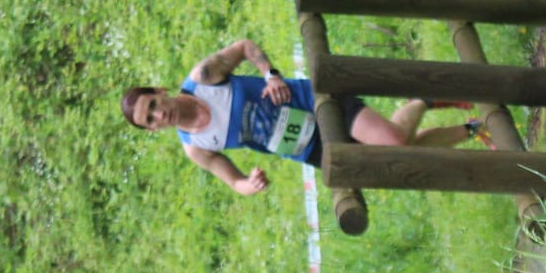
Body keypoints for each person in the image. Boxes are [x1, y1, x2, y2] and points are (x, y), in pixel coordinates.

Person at [121, 38, 484, 196]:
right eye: (149, 120)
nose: (158, 115)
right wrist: (251, 183)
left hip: (315, 102)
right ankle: (473, 128)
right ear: (152, 130)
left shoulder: (203, 78)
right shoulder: (196, 147)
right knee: (398, 163)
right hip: (307, 148)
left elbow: (245, 47)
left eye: (152, 105)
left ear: (159, 91)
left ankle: (423, 98)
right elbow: (233, 182)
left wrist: (270, 74)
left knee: (396, 142)